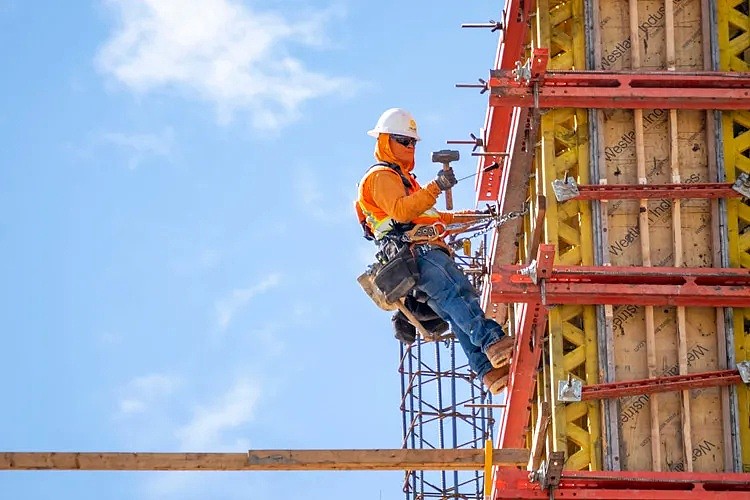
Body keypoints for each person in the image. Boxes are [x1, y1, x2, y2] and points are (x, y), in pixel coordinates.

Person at [355, 108, 514, 394]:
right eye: (404, 141)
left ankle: (489, 371)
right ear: (386, 141)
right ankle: (492, 341)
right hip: (419, 254)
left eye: (413, 142)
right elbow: (402, 213)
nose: (410, 147)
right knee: (458, 295)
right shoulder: (381, 176)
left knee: (454, 313)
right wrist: (436, 186)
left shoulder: (404, 180)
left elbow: (434, 219)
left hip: (420, 255)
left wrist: (479, 216)